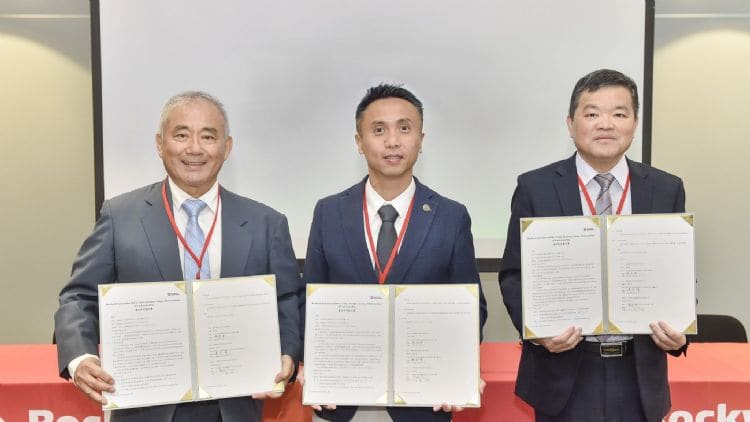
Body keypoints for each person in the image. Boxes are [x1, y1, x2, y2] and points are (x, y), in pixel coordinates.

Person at [54, 91, 303, 422]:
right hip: (145, 409)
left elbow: (287, 300)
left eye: (208, 137)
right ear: (160, 144)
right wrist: (80, 358)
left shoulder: (266, 223)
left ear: (227, 147)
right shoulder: (120, 216)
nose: (195, 148)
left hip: (235, 407)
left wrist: (288, 353)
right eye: (182, 135)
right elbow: (78, 297)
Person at [499, 69, 688, 422]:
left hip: (638, 374)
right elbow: (513, 275)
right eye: (592, 113)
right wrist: (538, 332)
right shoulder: (535, 187)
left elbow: (677, 272)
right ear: (571, 124)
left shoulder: (665, 188)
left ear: (634, 123)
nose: (606, 124)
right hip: (562, 373)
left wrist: (680, 329)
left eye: (619, 113)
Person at [300, 83, 488, 422]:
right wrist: (309, 362)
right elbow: (310, 301)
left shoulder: (451, 216)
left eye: (404, 128)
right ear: (359, 142)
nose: (392, 141)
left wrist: (458, 368)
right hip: (341, 399)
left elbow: (472, 307)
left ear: (420, 139)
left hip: (424, 402)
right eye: (378, 130)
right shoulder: (328, 212)